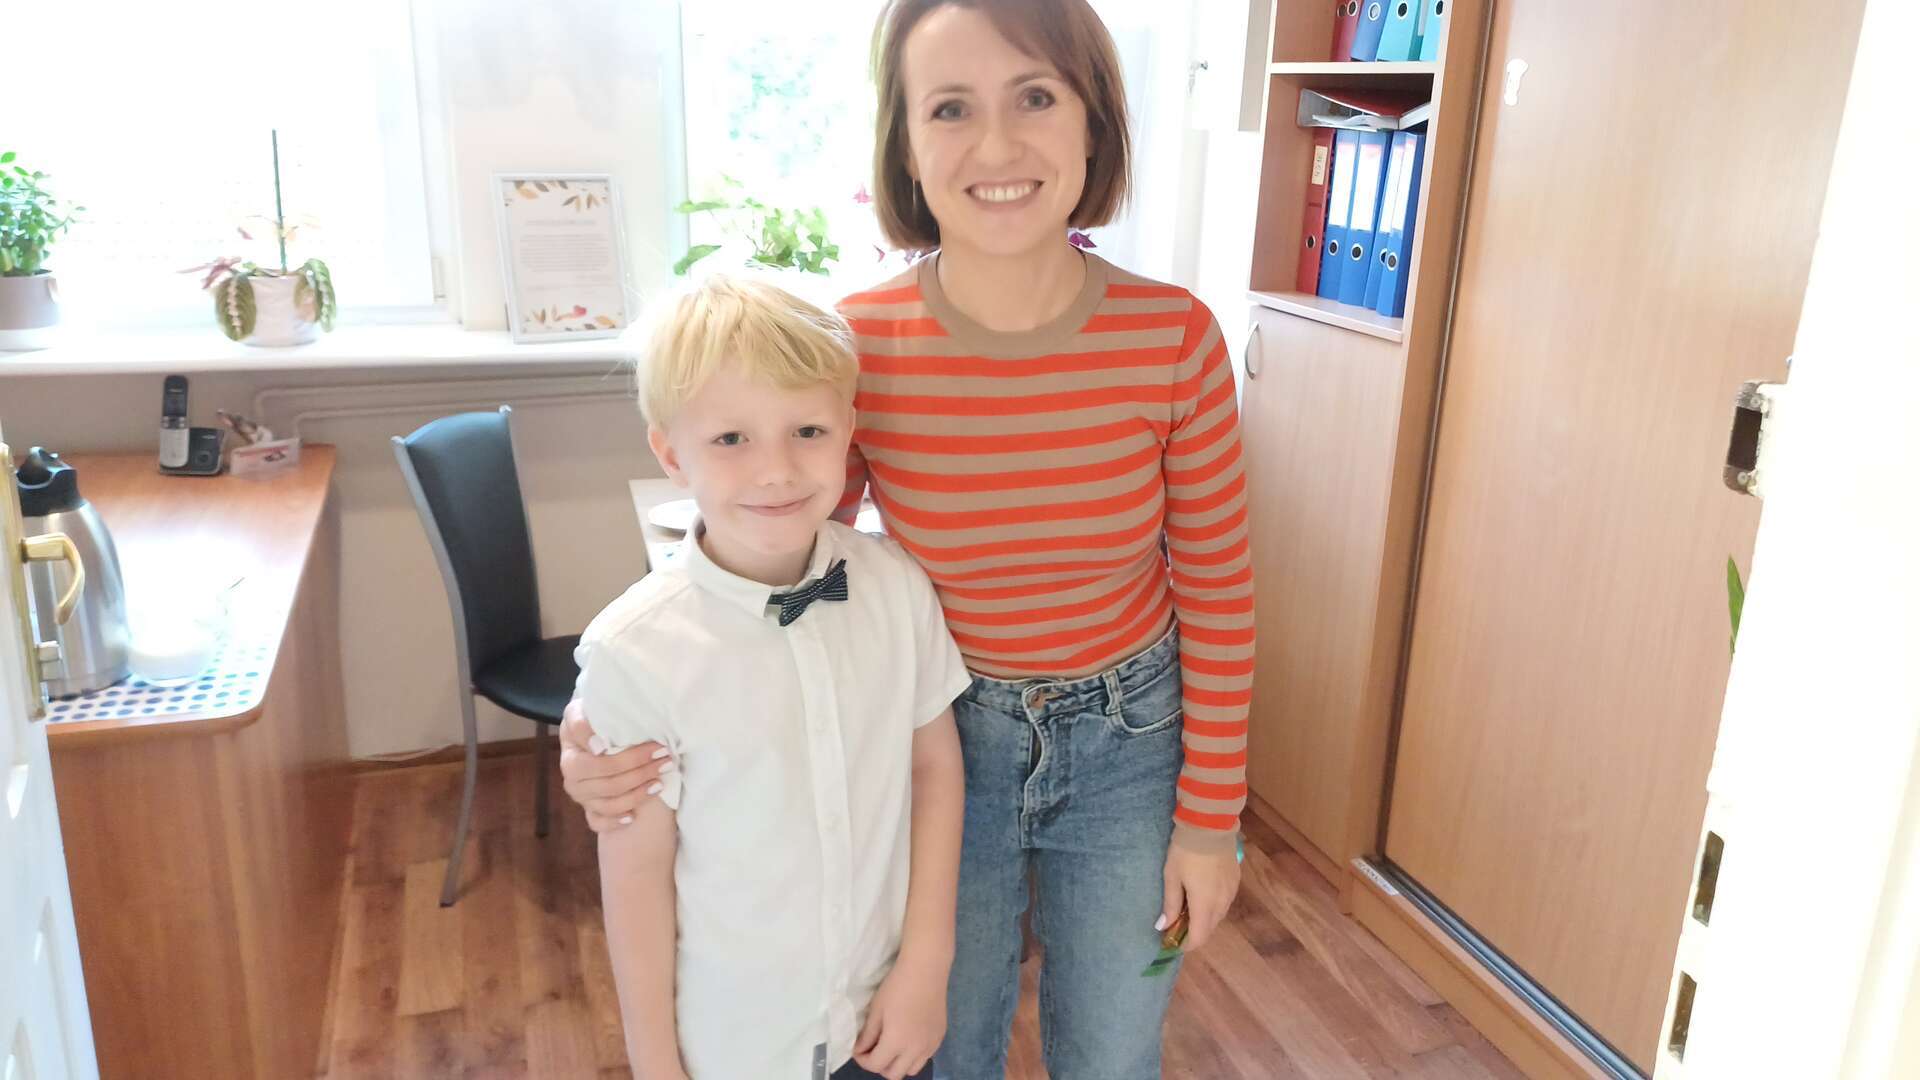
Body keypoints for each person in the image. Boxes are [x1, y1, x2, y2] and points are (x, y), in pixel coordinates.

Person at [565, 2, 1255, 1075]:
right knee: (940, 1043)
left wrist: (1211, 823)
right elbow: (786, 559)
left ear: (1093, 120)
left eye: (1035, 97)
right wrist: (608, 717)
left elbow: (1216, 591)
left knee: (1116, 1049)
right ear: (905, 143)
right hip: (934, 739)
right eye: (950, 108)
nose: (996, 145)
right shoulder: (865, 344)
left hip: (1132, 743)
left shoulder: (1175, 337)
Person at [578, 272, 972, 1080]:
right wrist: (655, 1064)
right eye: (732, 439)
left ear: (847, 429)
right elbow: (637, 874)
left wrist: (927, 966)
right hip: (739, 1045)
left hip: (882, 1022)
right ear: (671, 452)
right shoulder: (635, 651)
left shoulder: (896, 587)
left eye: (807, 431)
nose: (776, 471)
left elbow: (934, 769)